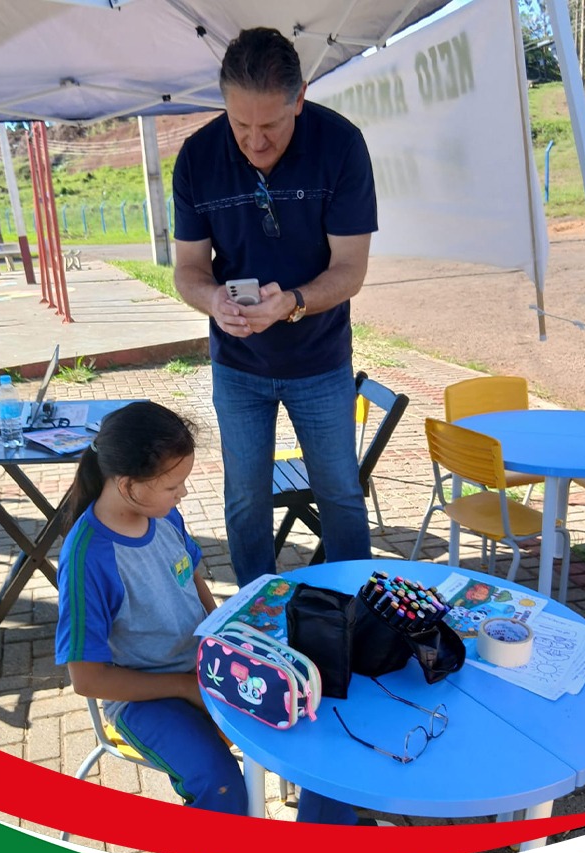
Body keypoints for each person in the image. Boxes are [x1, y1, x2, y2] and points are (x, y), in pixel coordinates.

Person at [55, 403, 369, 853]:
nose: (181, 495)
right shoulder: (88, 558)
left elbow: (191, 575)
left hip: (209, 664)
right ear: (127, 485)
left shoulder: (161, 515)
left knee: (320, 719)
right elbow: (88, 678)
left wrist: (225, 629)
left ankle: (322, 846)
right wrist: (184, 686)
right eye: (171, 485)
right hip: (145, 695)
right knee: (219, 784)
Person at [172, 27, 377, 586]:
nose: (254, 143)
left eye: (271, 125)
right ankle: (254, 612)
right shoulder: (197, 157)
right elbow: (187, 270)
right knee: (243, 500)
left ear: (300, 99)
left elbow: (351, 270)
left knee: (340, 493)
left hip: (321, 362)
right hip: (238, 369)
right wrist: (212, 298)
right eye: (241, 125)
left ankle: (353, 608)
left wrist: (292, 303)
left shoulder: (340, 145)